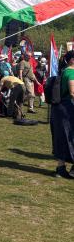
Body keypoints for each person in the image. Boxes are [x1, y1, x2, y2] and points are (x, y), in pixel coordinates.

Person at [50, 50, 74, 179]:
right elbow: (72, 92)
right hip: (68, 108)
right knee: (69, 137)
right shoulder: (71, 72)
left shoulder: (64, 70)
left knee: (62, 137)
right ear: (72, 60)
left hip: (60, 108)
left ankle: (60, 168)